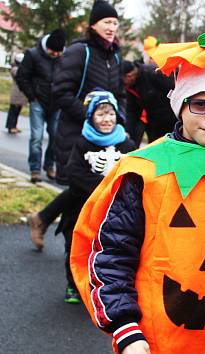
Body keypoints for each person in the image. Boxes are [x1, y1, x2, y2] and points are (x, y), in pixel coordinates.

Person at [70, 27, 205, 354]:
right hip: (155, 341)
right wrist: (125, 327)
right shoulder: (143, 170)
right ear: (180, 105)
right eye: (201, 105)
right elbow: (112, 254)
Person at [34, 89, 135, 303]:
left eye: (110, 114)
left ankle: (100, 285)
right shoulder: (83, 143)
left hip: (112, 211)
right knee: (75, 246)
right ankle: (73, 285)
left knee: (107, 248)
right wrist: (103, 187)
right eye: (100, 114)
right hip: (81, 209)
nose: (106, 119)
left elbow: (135, 172)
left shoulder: (127, 145)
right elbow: (75, 174)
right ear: (90, 117)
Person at [53, 0, 125, 185]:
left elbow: (120, 93)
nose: (112, 27)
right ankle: (45, 215)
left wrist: (117, 118)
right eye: (106, 22)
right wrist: (91, 115)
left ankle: (44, 216)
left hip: (106, 138)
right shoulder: (79, 51)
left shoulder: (115, 55)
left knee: (98, 194)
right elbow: (61, 92)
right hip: (75, 134)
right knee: (76, 192)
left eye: (115, 23)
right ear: (93, 24)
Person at [16, 29, 66, 182]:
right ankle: (35, 169)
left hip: (56, 103)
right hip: (38, 101)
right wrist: (32, 96)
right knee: (36, 137)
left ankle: (49, 165)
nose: (55, 54)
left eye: (58, 52)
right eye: (53, 51)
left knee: (55, 137)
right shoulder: (33, 54)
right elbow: (22, 77)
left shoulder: (64, 56)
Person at [122, 59, 177, 147]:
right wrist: (127, 131)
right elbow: (132, 111)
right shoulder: (131, 87)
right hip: (153, 125)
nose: (122, 85)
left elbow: (175, 91)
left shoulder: (154, 73)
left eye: (122, 81)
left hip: (172, 121)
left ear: (129, 76)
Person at [5, 54, 27, 134]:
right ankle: (11, 126)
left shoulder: (19, 69)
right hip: (16, 93)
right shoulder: (15, 69)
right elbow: (21, 76)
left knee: (17, 111)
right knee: (13, 111)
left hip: (21, 94)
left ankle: (14, 126)